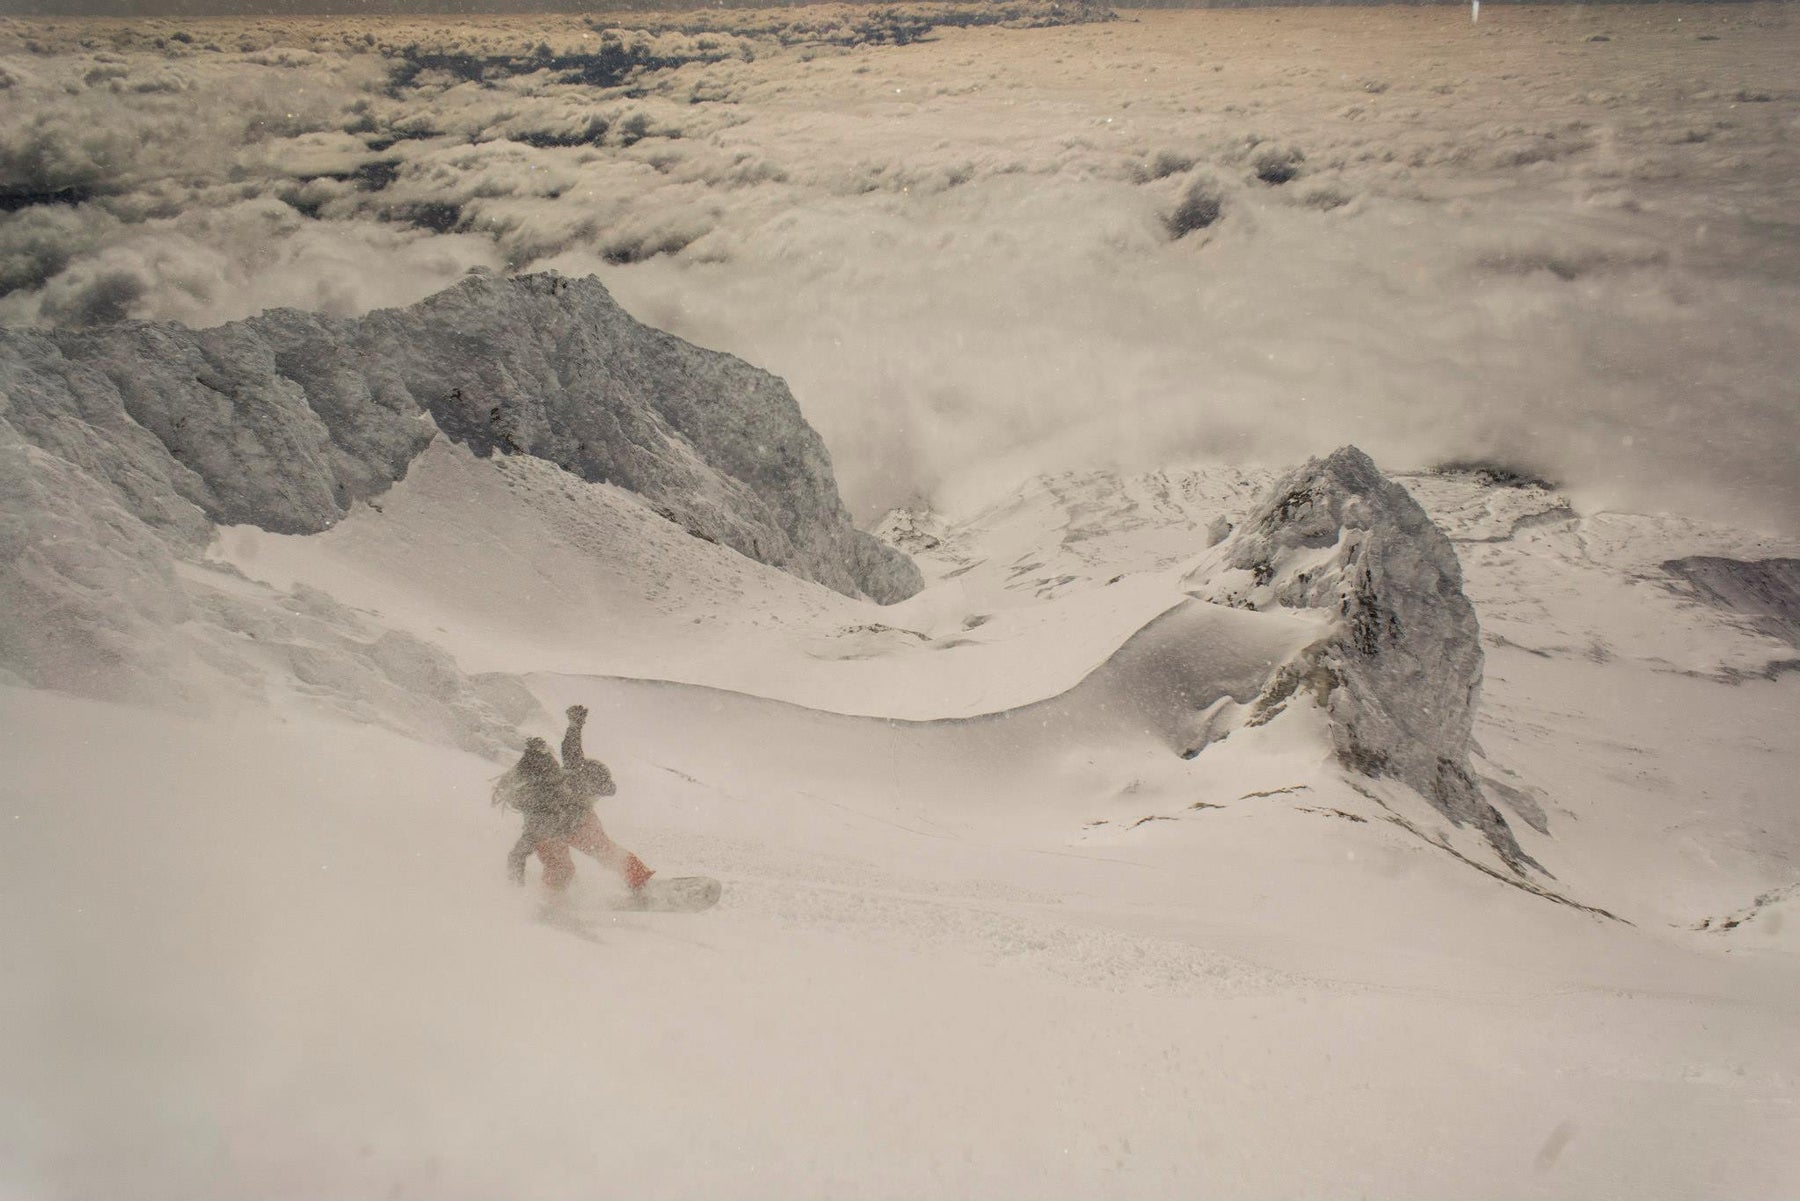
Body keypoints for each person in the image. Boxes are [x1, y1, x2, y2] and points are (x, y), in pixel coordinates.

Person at [499, 705, 654, 893]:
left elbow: (571, 754)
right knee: (596, 855)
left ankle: (553, 897)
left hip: (569, 823)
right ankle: (639, 882)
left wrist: (575, 726)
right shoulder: (543, 809)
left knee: (572, 864)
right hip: (567, 826)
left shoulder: (564, 780)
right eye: (595, 794)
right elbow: (518, 853)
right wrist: (515, 892)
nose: (596, 798)